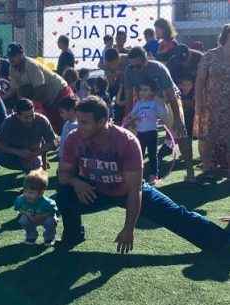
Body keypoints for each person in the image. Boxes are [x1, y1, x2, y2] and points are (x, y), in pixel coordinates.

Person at [56, 96, 230, 253]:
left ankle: (221, 242)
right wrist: (75, 182)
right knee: (63, 194)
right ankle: (73, 234)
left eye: (84, 122)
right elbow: (63, 174)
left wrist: (129, 228)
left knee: (176, 214)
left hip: (127, 190)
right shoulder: (74, 137)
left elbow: (134, 190)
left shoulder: (126, 141)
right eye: (78, 121)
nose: (79, 127)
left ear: (102, 121)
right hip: (96, 189)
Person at [124, 47, 195, 182]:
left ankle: (190, 171)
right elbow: (128, 96)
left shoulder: (158, 68)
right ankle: (134, 173)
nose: (135, 69)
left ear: (146, 60)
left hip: (166, 99)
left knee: (180, 133)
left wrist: (178, 120)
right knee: (132, 135)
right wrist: (129, 118)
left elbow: (171, 95)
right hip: (144, 100)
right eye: (132, 66)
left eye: (138, 66)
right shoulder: (129, 70)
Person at [0, 98, 56, 204]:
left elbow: (53, 143)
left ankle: (29, 190)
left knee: (37, 176)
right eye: (26, 117)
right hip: (11, 157)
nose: (30, 119)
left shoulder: (42, 120)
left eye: (32, 115)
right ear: (17, 115)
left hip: (32, 157)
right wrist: (18, 152)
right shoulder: (9, 121)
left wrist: (35, 153)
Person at [4, 42, 73, 134]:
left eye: (14, 55)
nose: (11, 59)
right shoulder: (12, 68)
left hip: (60, 92)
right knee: (52, 127)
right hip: (46, 97)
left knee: (64, 124)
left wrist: (31, 105)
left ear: (21, 54)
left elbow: (40, 88)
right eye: (9, 56)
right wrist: (22, 105)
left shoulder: (31, 65)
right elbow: (19, 89)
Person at [194, 24, 230, 179]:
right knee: (209, 136)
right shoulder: (209, 55)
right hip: (210, 105)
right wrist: (199, 104)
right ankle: (208, 167)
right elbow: (200, 81)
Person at [123, 79, 167, 185]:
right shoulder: (139, 103)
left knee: (152, 155)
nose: (142, 92)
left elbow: (163, 114)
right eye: (141, 90)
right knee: (139, 154)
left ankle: (153, 175)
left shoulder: (155, 103)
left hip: (152, 132)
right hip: (140, 133)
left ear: (152, 91)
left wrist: (160, 103)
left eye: (146, 90)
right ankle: (138, 175)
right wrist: (131, 119)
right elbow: (131, 115)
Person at [14, 169, 58, 246]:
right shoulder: (20, 199)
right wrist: (27, 214)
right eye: (25, 191)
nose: (27, 194)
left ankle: (49, 237)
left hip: (45, 217)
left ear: (41, 193)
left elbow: (52, 212)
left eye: (31, 192)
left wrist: (41, 216)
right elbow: (19, 209)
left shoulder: (48, 203)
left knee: (51, 221)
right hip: (30, 216)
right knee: (23, 220)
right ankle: (31, 236)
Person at [57, 96, 79, 162]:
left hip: (69, 162)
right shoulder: (67, 123)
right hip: (63, 159)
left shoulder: (76, 127)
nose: (60, 115)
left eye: (62, 112)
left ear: (71, 111)